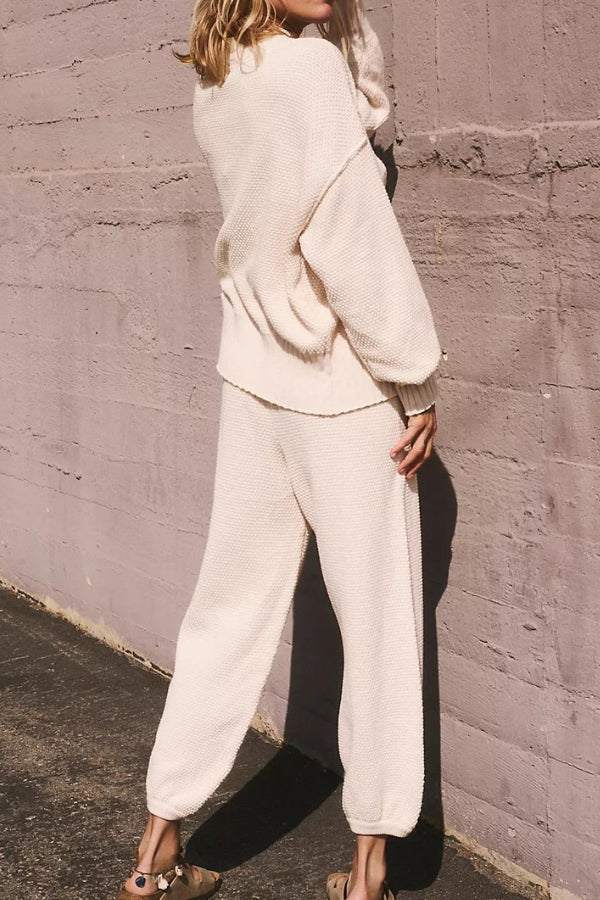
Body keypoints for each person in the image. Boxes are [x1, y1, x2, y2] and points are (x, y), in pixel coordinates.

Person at [116, 0, 443, 896]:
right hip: (341, 392)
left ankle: (154, 856)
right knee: (377, 624)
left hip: (254, 380)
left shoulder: (217, 80)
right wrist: (415, 377)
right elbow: (352, 234)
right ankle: (370, 873)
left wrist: (345, 24)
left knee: (227, 609)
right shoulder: (306, 74)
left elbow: (365, 113)